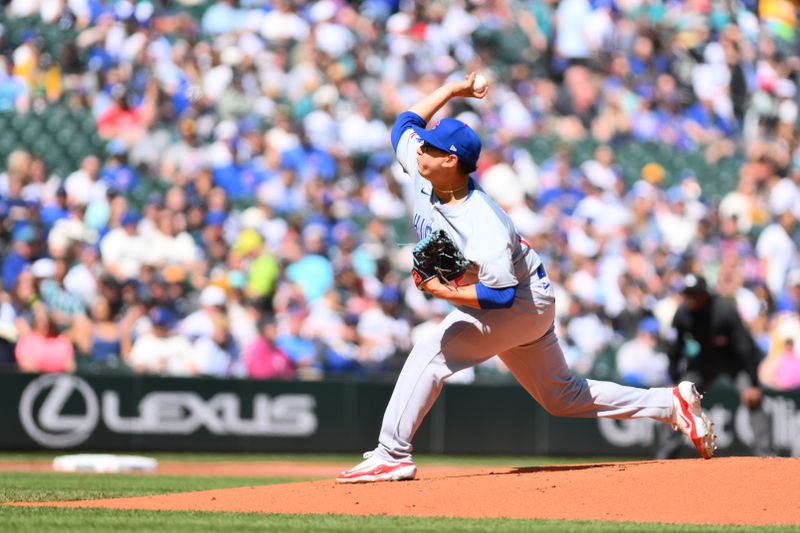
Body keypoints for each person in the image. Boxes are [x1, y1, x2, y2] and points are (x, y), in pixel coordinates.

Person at [337, 73, 717, 484]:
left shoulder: (484, 223)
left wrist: (441, 290)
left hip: (520, 301)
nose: (419, 148)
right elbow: (402, 126)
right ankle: (671, 404)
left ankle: (391, 453)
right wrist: (451, 90)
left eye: (429, 145)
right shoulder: (426, 168)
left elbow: (499, 297)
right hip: (526, 295)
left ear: (450, 161)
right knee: (561, 396)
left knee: (432, 349)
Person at [656, 274, 773, 459]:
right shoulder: (683, 313)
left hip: (735, 360)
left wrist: (753, 383)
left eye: (695, 294)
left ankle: (766, 455)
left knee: (753, 399)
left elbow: (744, 346)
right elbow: (674, 349)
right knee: (677, 397)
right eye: (688, 294)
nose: (690, 299)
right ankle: (665, 456)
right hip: (705, 359)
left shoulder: (723, 310)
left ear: (705, 294)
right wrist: (672, 379)